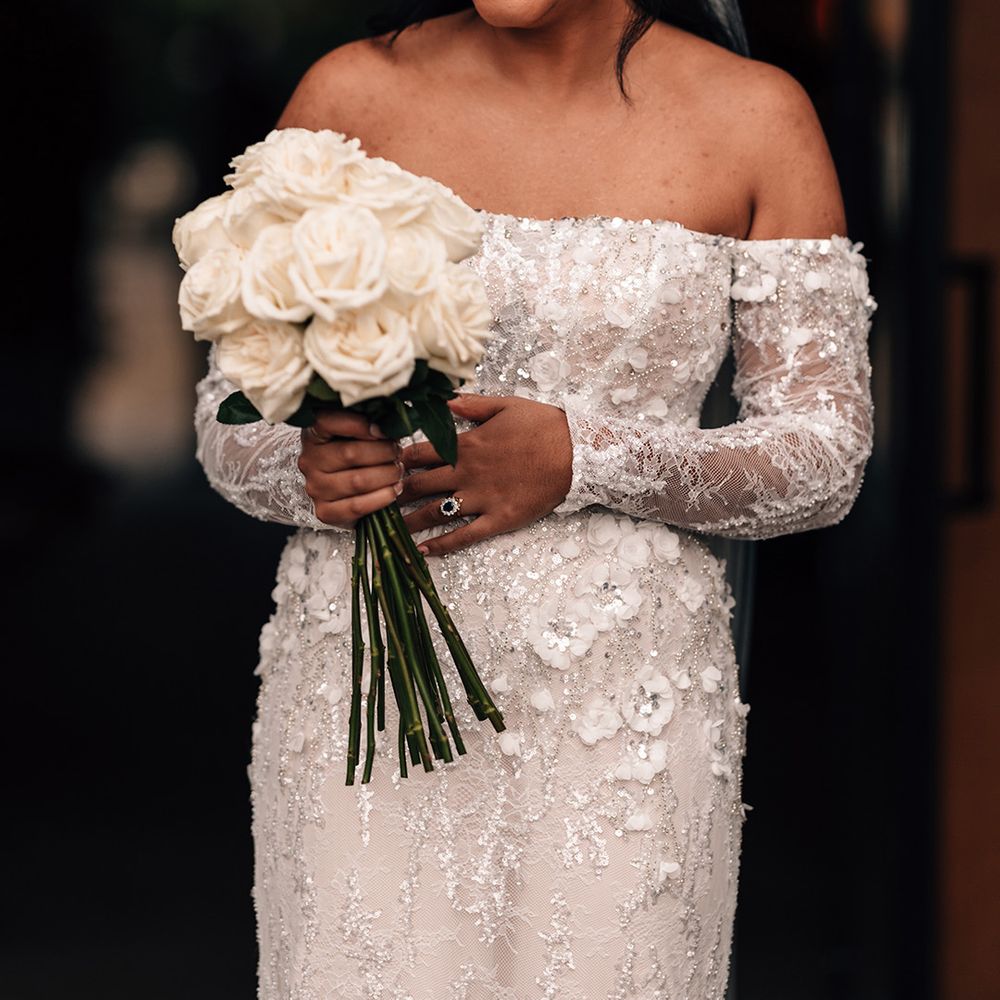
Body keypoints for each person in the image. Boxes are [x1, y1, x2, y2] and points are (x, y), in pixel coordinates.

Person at [192, 2, 877, 996]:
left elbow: (823, 455)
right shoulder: (348, 95)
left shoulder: (755, 118)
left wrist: (582, 458)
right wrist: (300, 464)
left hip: (623, 717)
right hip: (367, 693)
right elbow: (228, 411)